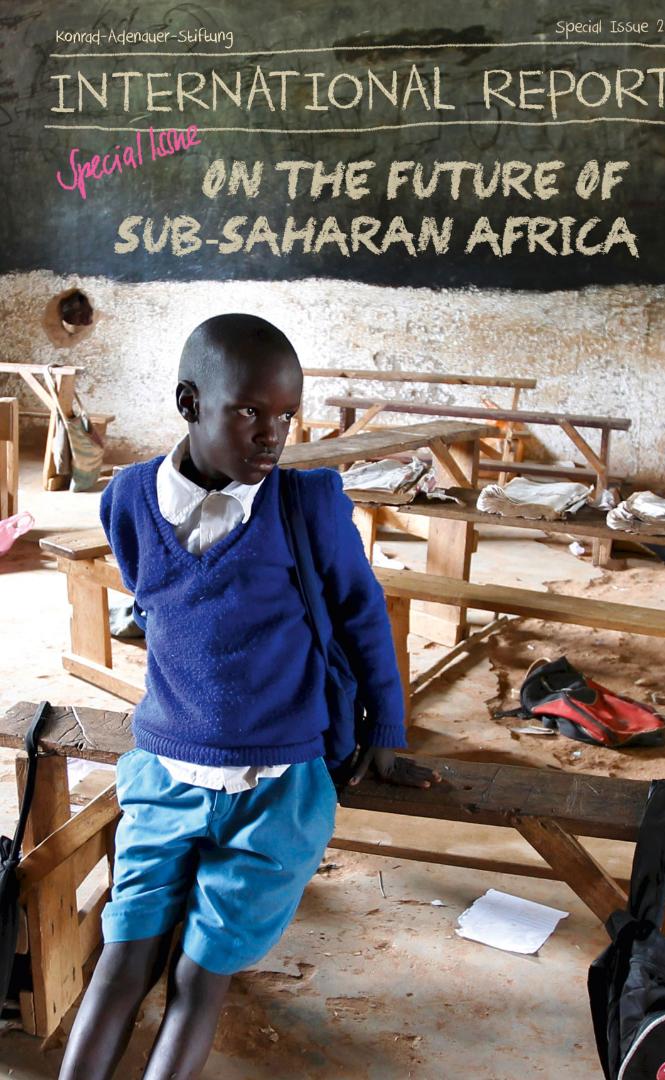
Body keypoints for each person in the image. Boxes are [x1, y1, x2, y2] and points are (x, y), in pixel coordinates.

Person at [59, 313, 439, 1080]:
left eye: (285, 418)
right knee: (122, 959)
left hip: (278, 787)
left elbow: (364, 615)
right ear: (189, 401)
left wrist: (387, 728)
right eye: (249, 412)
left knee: (199, 979)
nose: (272, 435)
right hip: (164, 772)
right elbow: (153, 600)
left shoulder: (308, 505)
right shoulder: (128, 498)